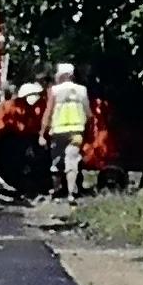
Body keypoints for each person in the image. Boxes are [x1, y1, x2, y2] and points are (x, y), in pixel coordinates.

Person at [42, 63, 92, 199]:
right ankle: (71, 193)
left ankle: (56, 191)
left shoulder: (54, 91)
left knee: (57, 162)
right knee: (72, 161)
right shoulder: (82, 90)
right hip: (77, 130)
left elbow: (48, 112)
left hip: (59, 131)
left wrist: (42, 133)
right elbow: (88, 112)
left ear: (61, 76)